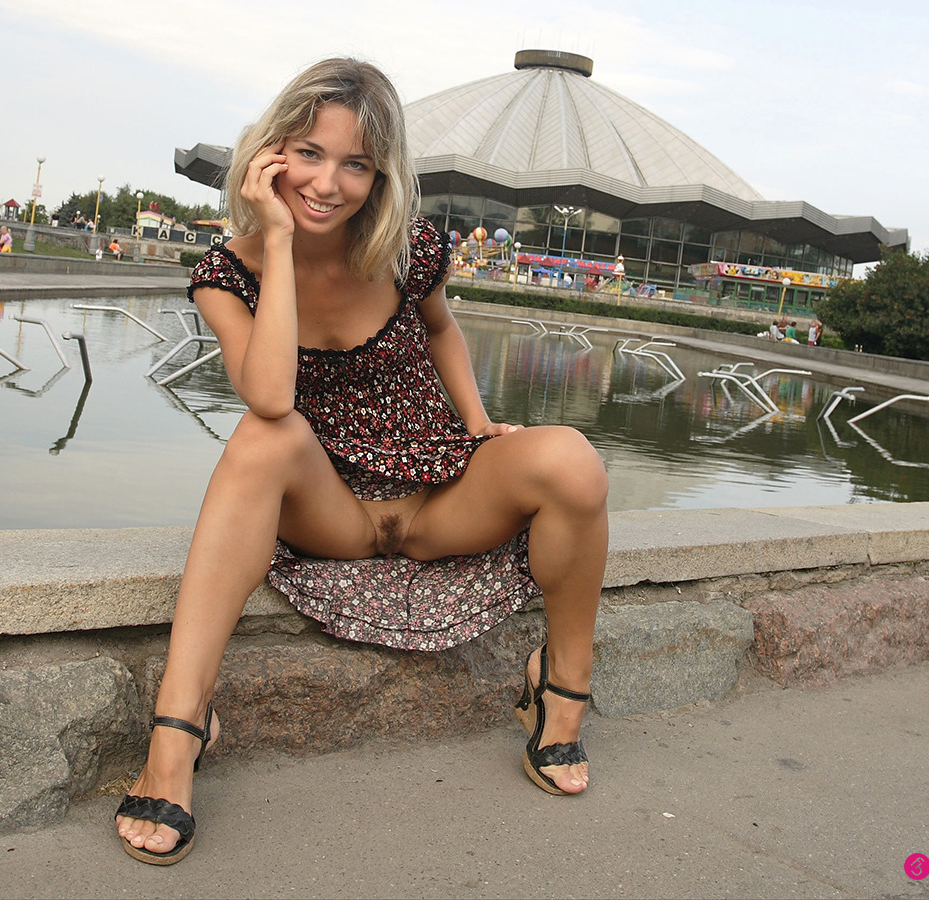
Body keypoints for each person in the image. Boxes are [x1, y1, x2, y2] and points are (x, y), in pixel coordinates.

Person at [114, 57, 608, 866]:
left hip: (438, 495)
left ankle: (559, 689)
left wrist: (482, 426)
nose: (328, 183)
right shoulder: (226, 274)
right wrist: (274, 240)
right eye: (309, 153)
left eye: (356, 163)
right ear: (271, 151)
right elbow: (270, 398)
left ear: (381, 174)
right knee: (260, 438)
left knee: (574, 461)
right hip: (330, 510)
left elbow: (443, 329)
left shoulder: (404, 246)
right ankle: (179, 728)